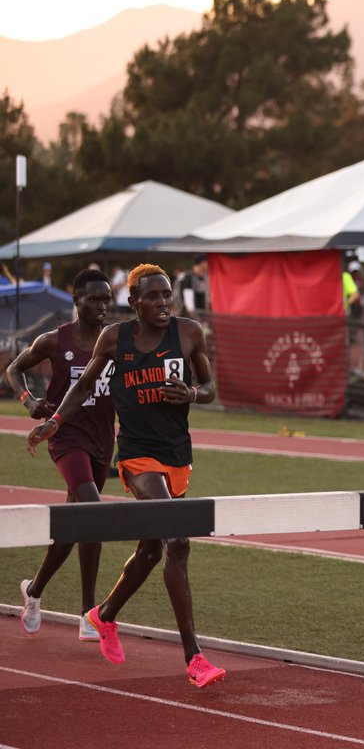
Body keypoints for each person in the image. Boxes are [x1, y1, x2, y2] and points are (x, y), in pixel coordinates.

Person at [26, 263, 226, 688]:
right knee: (177, 539)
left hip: (177, 455)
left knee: (152, 551)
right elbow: (82, 388)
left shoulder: (189, 333)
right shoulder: (115, 338)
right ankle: (194, 657)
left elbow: (209, 388)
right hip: (136, 456)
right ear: (133, 302)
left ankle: (105, 615)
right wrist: (55, 422)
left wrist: (191, 392)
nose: (163, 303)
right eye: (152, 296)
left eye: (167, 295)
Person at [6, 268, 115, 641]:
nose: (102, 306)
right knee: (93, 511)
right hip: (66, 437)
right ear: (76, 301)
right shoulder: (55, 340)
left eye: (106, 299)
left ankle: (33, 590)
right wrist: (28, 400)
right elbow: (13, 368)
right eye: (94, 299)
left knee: (72, 526)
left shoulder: (115, 340)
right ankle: (89, 611)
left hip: (103, 438)